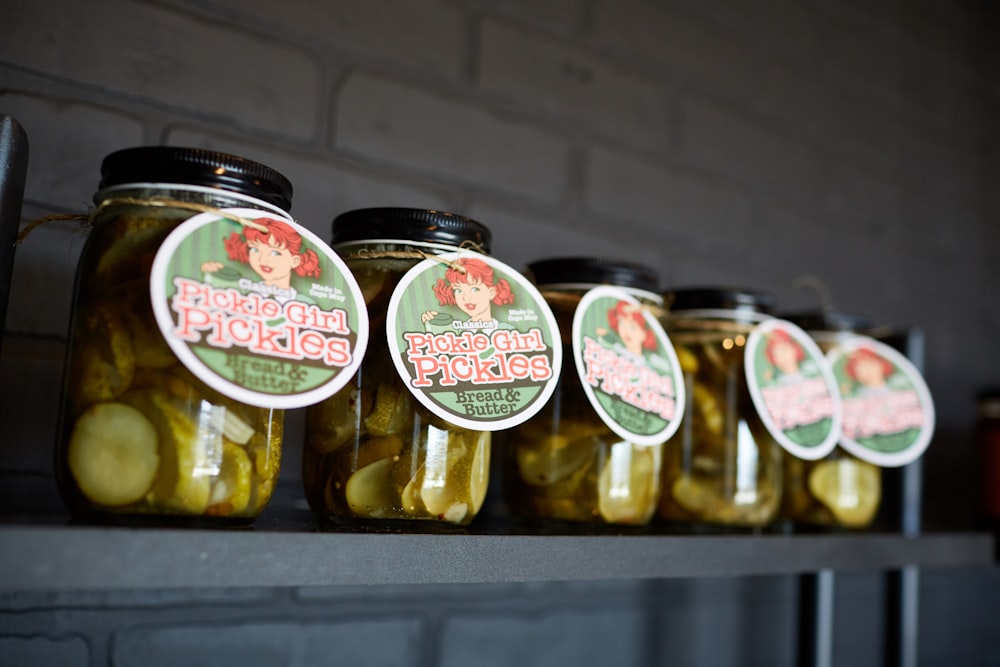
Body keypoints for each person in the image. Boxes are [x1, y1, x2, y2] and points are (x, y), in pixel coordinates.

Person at [202, 217, 321, 302]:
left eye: (275, 253)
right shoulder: (240, 292)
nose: (262, 259)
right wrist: (211, 274)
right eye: (254, 249)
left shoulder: (306, 304)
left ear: (295, 261)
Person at [421, 257, 514, 331]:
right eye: (458, 291)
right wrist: (431, 327)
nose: (466, 298)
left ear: (491, 292)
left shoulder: (509, 331)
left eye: (474, 289)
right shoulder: (456, 335)